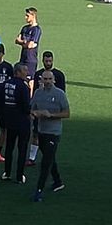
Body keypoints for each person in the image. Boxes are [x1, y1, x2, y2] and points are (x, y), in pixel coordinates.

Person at [29, 68, 70, 202]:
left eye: (49, 79)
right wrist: (35, 113)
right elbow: (31, 108)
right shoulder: (38, 93)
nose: (47, 82)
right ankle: (58, 182)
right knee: (50, 157)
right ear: (41, 80)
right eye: (44, 79)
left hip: (53, 133)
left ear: (54, 80)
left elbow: (66, 113)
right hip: (41, 131)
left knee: (46, 161)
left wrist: (51, 115)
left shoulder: (59, 94)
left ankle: (38, 190)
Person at [28, 50, 66, 165]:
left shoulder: (59, 75)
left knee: (49, 136)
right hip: (39, 108)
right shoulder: (38, 73)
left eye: (50, 61)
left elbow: (62, 92)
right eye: (46, 61)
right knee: (35, 133)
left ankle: (48, 157)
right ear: (43, 61)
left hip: (53, 109)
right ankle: (32, 158)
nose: (48, 63)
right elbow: (34, 91)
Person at [0, 63, 32, 183]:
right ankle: (19, 176)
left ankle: (7, 172)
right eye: (24, 71)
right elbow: (26, 107)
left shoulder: (6, 84)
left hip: (9, 121)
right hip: (22, 122)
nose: (26, 73)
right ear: (18, 72)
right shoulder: (23, 87)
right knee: (22, 149)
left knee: (9, 147)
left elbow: (1, 101)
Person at [14, 7, 41, 88]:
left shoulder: (36, 30)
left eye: (27, 16)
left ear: (33, 16)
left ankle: (30, 99)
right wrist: (25, 42)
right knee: (21, 79)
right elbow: (17, 40)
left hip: (30, 60)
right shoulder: (24, 28)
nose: (25, 18)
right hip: (23, 58)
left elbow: (31, 45)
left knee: (30, 81)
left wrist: (22, 42)